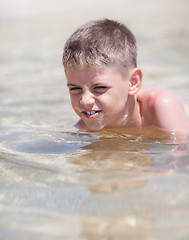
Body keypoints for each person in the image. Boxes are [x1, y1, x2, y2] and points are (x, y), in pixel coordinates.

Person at [62, 19, 189, 135]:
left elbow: (181, 155)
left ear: (133, 82)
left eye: (99, 87)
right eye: (75, 89)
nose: (85, 101)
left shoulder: (161, 106)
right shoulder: (87, 122)